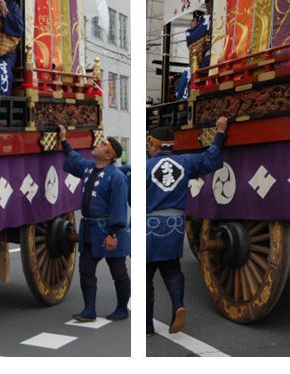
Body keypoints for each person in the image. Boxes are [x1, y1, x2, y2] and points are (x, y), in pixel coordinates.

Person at [146, 117, 228, 336]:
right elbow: (210, 158)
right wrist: (220, 132)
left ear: (154, 144)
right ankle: (178, 306)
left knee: (146, 275)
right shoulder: (185, 163)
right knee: (172, 269)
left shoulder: (145, 167)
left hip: (149, 224)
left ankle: (146, 325)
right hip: (174, 223)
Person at [59, 125, 130, 322]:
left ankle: (122, 308)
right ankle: (89, 310)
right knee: (86, 270)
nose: (97, 146)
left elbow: (119, 207)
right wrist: (64, 140)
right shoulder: (89, 168)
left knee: (118, 271)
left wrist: (113, 233)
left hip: (108, 230)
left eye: (102, 145)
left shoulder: (117, 178)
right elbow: (74, 160)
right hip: (89, 228)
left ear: (108, 156)